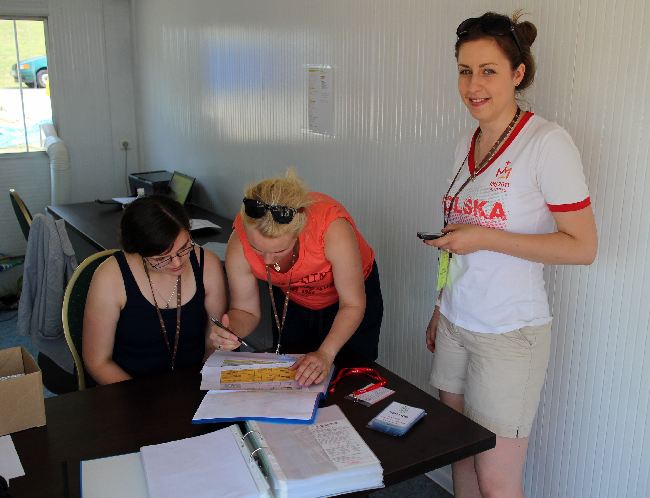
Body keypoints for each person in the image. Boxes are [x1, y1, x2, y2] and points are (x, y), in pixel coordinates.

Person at [424, 11, 597, 498]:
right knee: (457, 455)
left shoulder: (548, 143)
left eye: (488, 70)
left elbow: (583, 247)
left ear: (518, 74)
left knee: (496, 479)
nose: (473, 85)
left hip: (509, 334)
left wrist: (485, 238)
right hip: (458, 321)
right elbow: (456, 235)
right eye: (464, 70)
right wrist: (441, 306)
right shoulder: (468, 140)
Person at [212, 170, 383, 386]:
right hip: (293, 297)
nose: (267, 262)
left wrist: (326, 353)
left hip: (348, 302)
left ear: (299, 232)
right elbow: (245, 311)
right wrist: (230, 330)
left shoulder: (332, 228)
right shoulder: (238, 242)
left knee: (351, 376)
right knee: (294, 372)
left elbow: (352, 304)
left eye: (279, 251)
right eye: (257, 249)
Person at [83, 195, 227, 385]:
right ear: (137, 251)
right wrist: (147, 404)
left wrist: (200, 385)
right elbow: (98, 362)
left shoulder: (207, 264)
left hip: (192, 386)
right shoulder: (110, 277)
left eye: (184, 248)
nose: (177, 263)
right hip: (129, 391)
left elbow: (213, 344)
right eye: (161, 258)